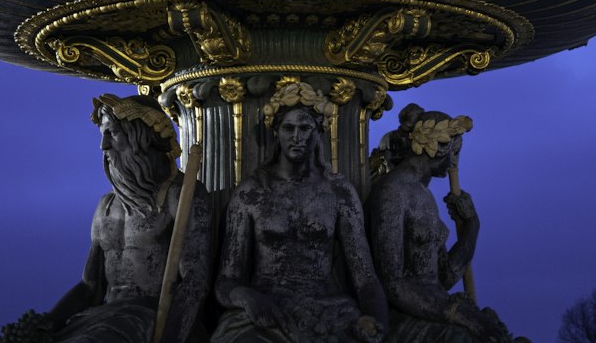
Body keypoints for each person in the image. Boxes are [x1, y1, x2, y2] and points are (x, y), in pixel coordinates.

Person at [0, 94, 211, 343]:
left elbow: (194, 283)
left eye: (112, 133)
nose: (104, 146)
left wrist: (173, 336)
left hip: (146, 318)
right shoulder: (107, 206)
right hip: (102, 318)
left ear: (141, 137)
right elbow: (90, 287)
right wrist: (45, 324)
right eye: (103, 134)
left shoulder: (181, 196)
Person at [212, 79, 388, 343]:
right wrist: (247, 297)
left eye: (305, 128)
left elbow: (365, 277)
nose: (297, 137)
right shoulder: (251, 194)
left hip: (330, 310)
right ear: (277, 133)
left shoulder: (338, 192)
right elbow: (226, 281)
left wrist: (377, 322)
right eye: (288, 128)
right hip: (268, 310)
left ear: (318, 133)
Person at [366, 104, 525, 343]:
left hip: (435, 306)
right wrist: (456, 315)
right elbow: (393, 285)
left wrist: (472, 226)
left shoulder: (425, 196)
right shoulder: (393, 192)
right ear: (438, 147)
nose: (454, 162)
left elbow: (444, 277)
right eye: (455, 151)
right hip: (407, 315)